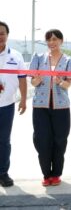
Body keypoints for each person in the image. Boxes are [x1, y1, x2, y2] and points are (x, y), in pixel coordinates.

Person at [29, 29, 71, 186]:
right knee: (42, 140)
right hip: (40, 106)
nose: (52, 42)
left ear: (61, 41)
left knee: (60, 140)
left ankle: (56, 174)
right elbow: (33, 83)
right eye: (49, 40)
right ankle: (46, 174)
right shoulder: (38, 58)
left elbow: (67, 84)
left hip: (61, 107)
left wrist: (59, 82)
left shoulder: (70, 60)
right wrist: (37, 80)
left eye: (55, 39)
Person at [0, 21, 27, 187]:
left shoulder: (16, 56)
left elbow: (22, 79)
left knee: (4, 140)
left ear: (7, 35)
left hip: (7, 105)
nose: (0, 36)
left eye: (2, 33)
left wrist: (23, 99)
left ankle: (3, 173)